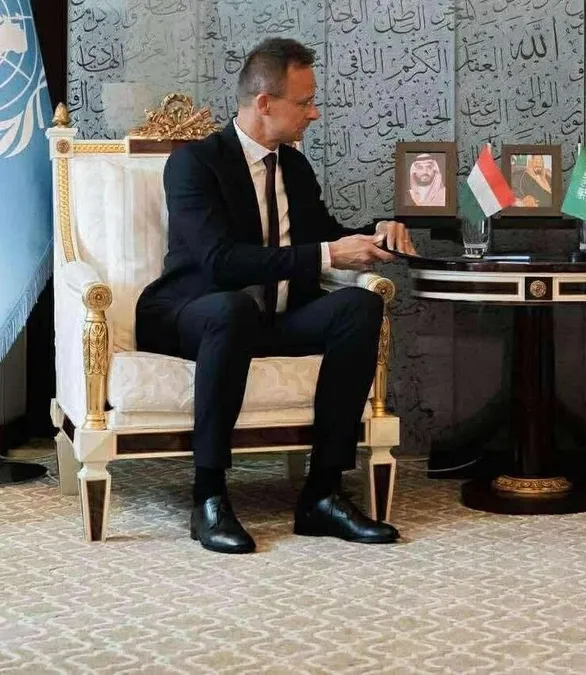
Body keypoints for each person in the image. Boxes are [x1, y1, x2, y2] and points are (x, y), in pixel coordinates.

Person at [136, 38, 418, 554]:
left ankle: (323, 494)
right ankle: (209, 498)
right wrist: (328, 253)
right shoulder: (194, 163)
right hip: (194, 314)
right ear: (265, 102)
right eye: (305, 102)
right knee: (232, 307)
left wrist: (376, 232)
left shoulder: (295, 168)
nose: (315, 113)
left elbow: (323, 237)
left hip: (270, 319)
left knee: (360, 306)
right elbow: (220, 262)